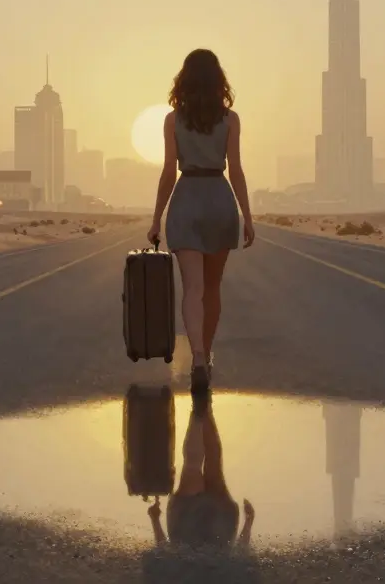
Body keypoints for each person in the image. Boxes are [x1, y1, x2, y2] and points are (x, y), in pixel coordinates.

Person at [147, 48, 254, 394]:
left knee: (192, 288)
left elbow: (167, 172)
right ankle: (206, 355)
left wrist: (156, 218)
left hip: (187, 198)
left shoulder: (172, 120)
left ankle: (195, 357)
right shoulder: (231, 120)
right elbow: (235, 169)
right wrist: (247, 215)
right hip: (220, 200)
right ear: (218, 80)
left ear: (184, 80)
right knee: (212, 288)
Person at [146, 395, 255, 551]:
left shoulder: (222, 573)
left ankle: (205, 406)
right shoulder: (179, 574)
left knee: (213, 458)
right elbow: (164, 553)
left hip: (220, 530)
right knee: (192, 464)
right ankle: (199, 411)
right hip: (187, 530)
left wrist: (249, 522)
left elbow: (240, 552)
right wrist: (155, 519)